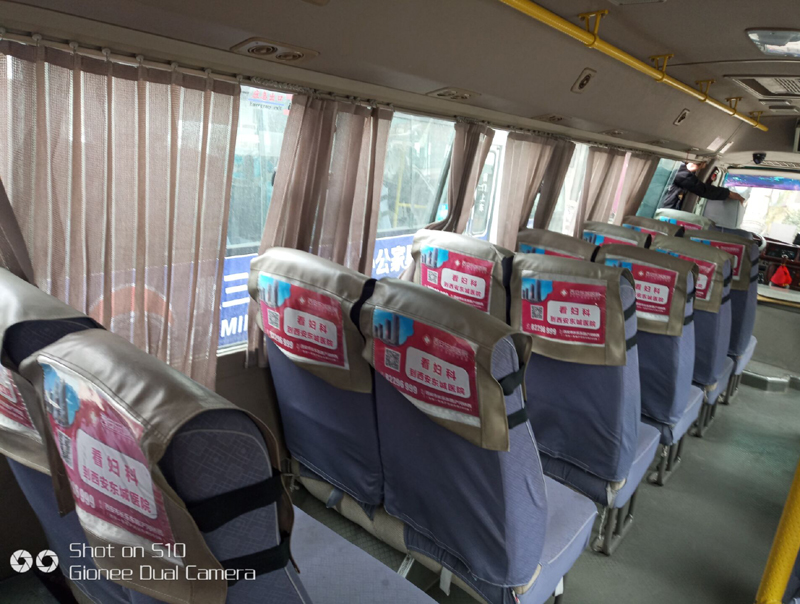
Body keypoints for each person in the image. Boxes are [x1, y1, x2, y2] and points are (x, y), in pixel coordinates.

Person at [659, 161, 745, 210]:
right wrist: (728, 193)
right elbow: (703, 190)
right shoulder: (678, 173)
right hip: (664, 211)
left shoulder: (669, 171)